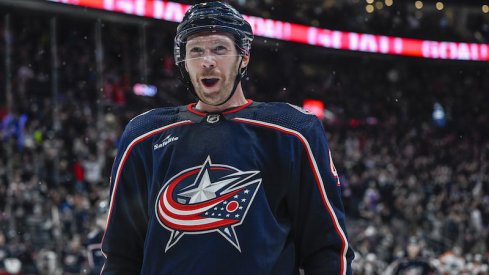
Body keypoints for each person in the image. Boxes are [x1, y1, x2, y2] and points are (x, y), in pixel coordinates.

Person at [100, 2, 354, 274]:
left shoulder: (293, 131)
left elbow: (326, 248)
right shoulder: (143, 136)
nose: (207, 60)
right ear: (183, 62)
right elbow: (121, 256)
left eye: (219, 49)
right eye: (196, 50)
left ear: (243, 57)